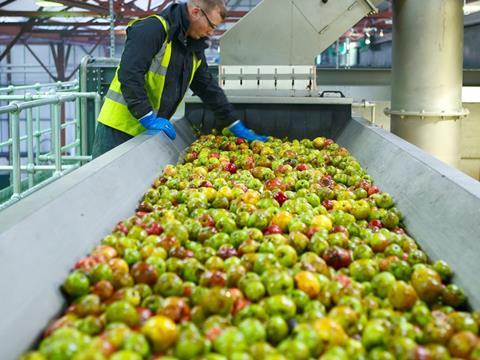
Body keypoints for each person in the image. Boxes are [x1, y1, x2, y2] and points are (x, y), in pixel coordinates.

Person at [92, 0, 267, 158]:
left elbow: (208, 89)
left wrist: (234, 123)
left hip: (150, 133)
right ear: (196, 12)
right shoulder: (153, 30)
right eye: (211, 25)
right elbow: (129, 74)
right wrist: (147, 116)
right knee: (104, 188)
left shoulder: (192, 48)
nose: (210, 32)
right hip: (118, 130)